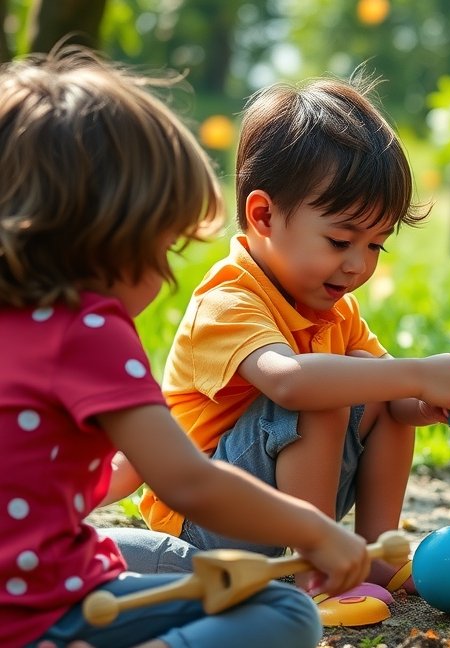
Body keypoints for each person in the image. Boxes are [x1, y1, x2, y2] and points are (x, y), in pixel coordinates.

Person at [0, 46, 372, 648]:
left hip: (30, 580)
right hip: (43, 611)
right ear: (108, 240)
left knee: (120, 548)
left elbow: (100, 471)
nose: (169, 277)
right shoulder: (88, 331)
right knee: (285, 611)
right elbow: (189, 482)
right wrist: (313, 528)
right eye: (163, 249)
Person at [117, 72, 450, 607]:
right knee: (332, 386)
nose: (358, 264)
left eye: (376, 246)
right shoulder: (227, 300)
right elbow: (290, 383)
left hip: (289, 516)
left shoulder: (335, 311)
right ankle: (320, 574)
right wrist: (414, 372)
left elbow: (390, 401)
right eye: (340, 241)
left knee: (369, 376)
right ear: (264, 216)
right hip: (207, 524)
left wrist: (427, 397)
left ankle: (374, 554)